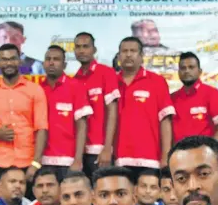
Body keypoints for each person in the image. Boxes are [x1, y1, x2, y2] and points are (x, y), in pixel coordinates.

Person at [0, 43, 48, 178]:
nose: (8, 63)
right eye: (4, 59)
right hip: (1, 163)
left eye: (13, 59)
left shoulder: (35, 90)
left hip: (28, 163)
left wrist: (35, 163)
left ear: (19, 61)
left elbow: (41, 128)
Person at [115, 37, 175, 176]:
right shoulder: (110, 82)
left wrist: (166, 155)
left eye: (133, 51)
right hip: (117, 159)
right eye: (124, 51)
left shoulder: (156, 81)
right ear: (119, 56)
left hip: (149, 160)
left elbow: (165, 120)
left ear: (142, 56)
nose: (128, 54)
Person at [40, 45, 93, 177]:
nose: (51, 62)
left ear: (64, 64)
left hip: (68, 161)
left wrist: (78, 159)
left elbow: (82, 126)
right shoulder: (37, 89)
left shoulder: (76, 87)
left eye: (56, 59)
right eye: (48, 59)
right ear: (43, 64)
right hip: (41, 160)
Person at [73, 32, 120, 180]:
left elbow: (113, 111)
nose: (81, 50)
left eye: (86, 46)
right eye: (78, 47)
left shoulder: (106, 73)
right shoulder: (74, 79)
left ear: (94, 50)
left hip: (100, 151)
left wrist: (107, 148)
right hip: (79, 152)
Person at [171, 52, 218, 144]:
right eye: (183, 68)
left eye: (191, 67)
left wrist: (209, 149)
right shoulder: (172, 98)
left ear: (200, 71)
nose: (187, 71)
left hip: (204, 156)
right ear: (179, 72)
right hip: (178, 155)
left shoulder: (212, 94)